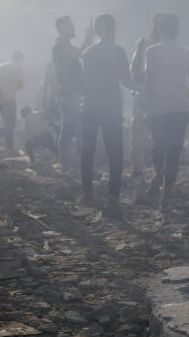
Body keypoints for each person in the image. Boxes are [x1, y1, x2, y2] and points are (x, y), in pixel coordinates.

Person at [80, 13, 136, 216]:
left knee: (88, 149)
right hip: (111, 106)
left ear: (96, 31)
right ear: (113, 29)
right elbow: (126, 81)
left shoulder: (88, 53)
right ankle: (113, 196)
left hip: (91, 104)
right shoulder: (119, 52)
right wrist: (142, 87)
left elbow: (85, 80)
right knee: (115, 152)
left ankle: (87, 192)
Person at [144, 13, 189, 214]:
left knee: (159, 150)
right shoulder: (187, 52)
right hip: (179, 109)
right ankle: (165, 199)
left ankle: (159, 178)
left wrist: (147, 110)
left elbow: (149, 83)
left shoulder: (151, 51)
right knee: (173, 152)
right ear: (177, 30)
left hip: (159, 109)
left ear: (159, 30)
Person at [53, 16, 94, 173]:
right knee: (78, 131)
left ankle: (66, 166)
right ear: (63, 28)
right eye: (71, 26)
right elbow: (79, 54)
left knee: (69, 130)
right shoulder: (60, 48)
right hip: (70, 94)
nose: (74, 29)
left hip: (70, 94)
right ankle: (83, 168)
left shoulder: (63, 47)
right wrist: (88, 36)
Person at [128, 15, 160, 199]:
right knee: (139, 136)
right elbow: (134, 70)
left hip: (161, 99)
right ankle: (138, 174)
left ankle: (157, 176)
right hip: (144, 96)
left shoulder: (167, 46)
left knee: (157, 139)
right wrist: (141, 90)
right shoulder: (143, 43)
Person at [0, 51, 25, 152]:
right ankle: (9, 146)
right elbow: (20, 85)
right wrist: (13, 86)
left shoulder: (1, 66)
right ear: (20, 59)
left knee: (5, 122)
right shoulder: (19, 67)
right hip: (10, 98)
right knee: (10, 124)